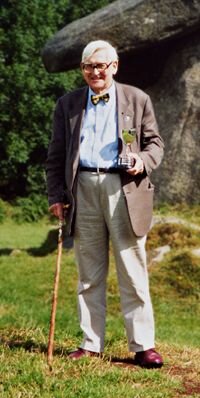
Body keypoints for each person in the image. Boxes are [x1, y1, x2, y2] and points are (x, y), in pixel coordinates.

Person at [46, 40, 164, 368]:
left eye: (101, 65)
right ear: (82, 69)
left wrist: (142, 160)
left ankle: (143, 346)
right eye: (88, 66)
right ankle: (90, 343)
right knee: (89, 272)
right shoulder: (67, 104)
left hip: (124, 187)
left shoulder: (137, 99)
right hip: (81, 188)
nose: (95, 72)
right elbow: (55, 156)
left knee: (132, 269)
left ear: (114, 66)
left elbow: (156, 144)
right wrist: (56, 195)